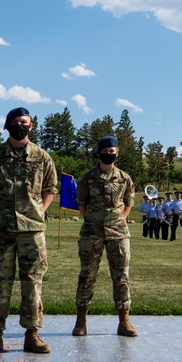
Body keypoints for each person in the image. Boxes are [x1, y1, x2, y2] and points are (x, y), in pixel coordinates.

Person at [0, 107, 58, 355]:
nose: (20, 125)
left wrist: (38, 214)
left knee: (32, 282)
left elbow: (49, 189)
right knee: (0, 283)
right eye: (15, 122)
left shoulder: (42, 157)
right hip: (3, 230)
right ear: (8, 125)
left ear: (31, 126)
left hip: (32, 231)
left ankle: (32, 334)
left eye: (24, 122)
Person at [72, 136, 137, 338]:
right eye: (105, 151)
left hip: (118, 233)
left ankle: (124, 321)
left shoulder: (125, 178)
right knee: (87, 276)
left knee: (121, 277)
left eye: (113, 151)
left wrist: (119, 220)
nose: (109, 154)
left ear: (117, 153)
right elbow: (81, 204)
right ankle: (81, 322)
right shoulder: (87, 178)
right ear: (98, 153)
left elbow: (128, 203)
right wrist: (94, 221)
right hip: (92, 233)